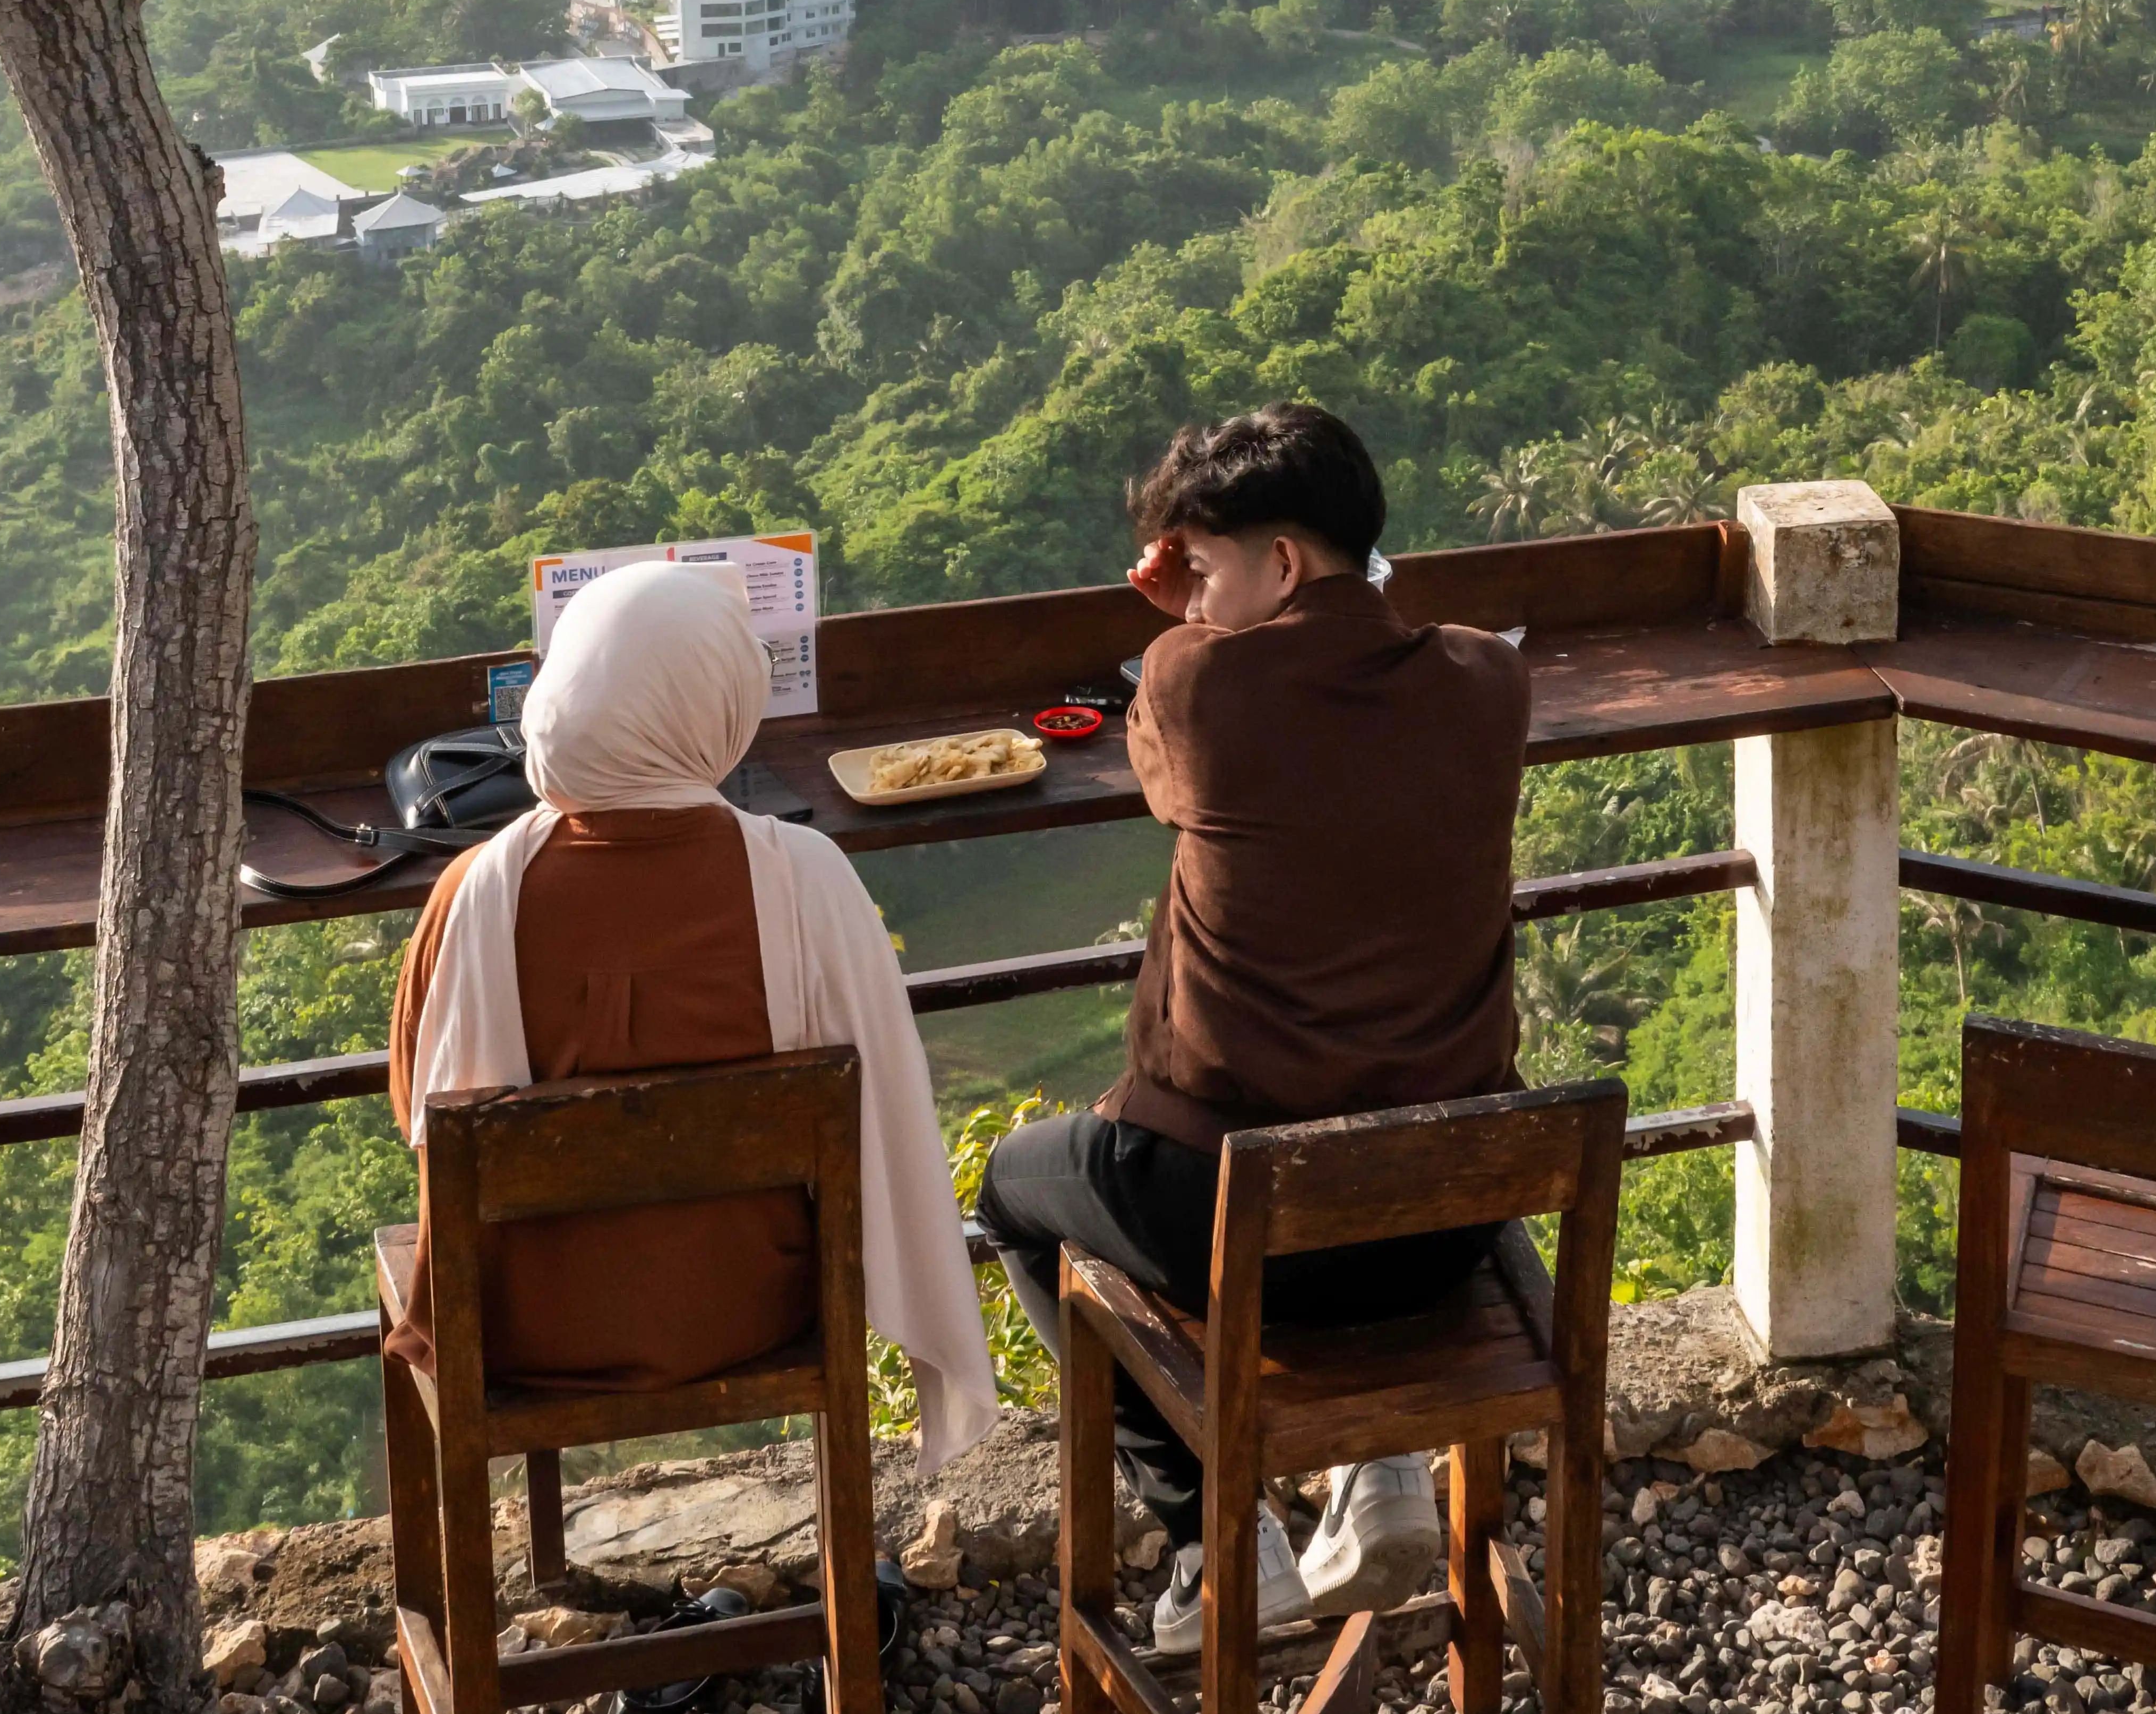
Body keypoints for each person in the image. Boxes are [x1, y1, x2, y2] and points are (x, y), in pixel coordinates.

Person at [975, 400, 1531, 1650]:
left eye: (1213, 568)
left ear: (1280, 561)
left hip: (1238, 1222)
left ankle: (1212, 1545)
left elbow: (1169, 760)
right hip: (1445, 1215)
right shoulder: (1492, 678)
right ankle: (1378, 1465)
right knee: (1364, 1114)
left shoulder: (1192, 677)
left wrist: (1184, 619)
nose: (1199, 598)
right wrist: (1218, 582)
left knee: (1013, 1195)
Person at [389, 556, 997, 1467]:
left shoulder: (472, 894)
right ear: (718, 707)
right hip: (754, 1309)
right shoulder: (807, 879)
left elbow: (421, 1114)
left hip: (521, 1330)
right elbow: (888, 1111)